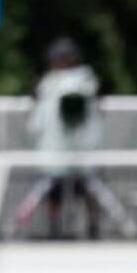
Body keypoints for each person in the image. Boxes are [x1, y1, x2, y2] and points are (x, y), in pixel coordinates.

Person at [25, 38, 103, 240]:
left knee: (86, 187)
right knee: (53, 190)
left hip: (80, 149)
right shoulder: (48, 83)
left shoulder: (85, 80)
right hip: (55, 150)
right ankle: (53, 228)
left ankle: (93, 227)